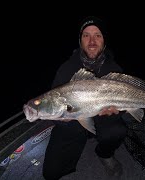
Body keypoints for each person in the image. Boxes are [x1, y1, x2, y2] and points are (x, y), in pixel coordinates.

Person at [42, 16, 127, 179]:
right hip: (73, 123)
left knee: (117, 130)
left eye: (98, 35)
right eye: (86, 35)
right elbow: (52, 103)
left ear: (104, 41)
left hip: (102, 118)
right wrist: (60, 119)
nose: (92, 41)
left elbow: (125, 102)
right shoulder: (66, 69)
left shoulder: (114, 69)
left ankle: (104, 154)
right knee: (51, 173)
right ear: (80, 41)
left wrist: (117, 112)